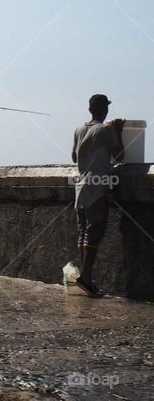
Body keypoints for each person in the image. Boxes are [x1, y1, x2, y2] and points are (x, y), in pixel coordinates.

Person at [71, 93, 124, 296]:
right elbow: (120, 156)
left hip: (80, 187)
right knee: (94, 234)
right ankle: (85, 278)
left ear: (89, 109)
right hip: (97, 187)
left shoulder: (79, 129)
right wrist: (118, 132)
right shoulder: (106, 129)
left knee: (83, 232)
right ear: (104, 109)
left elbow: (74, 156)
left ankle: (85, 278)